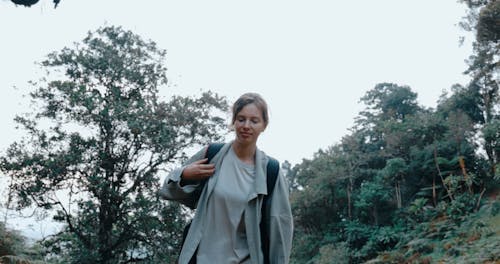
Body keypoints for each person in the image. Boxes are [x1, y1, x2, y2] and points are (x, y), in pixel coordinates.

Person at [160, 93, 293, 264]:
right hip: (200, 258)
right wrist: (185, 175)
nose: (246, 126)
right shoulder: (212, 154)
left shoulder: (270, 171)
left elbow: (280, 227)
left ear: (264, 125)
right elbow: (167, 191)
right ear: (233, 122)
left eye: (254, 121)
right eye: (241, 119)